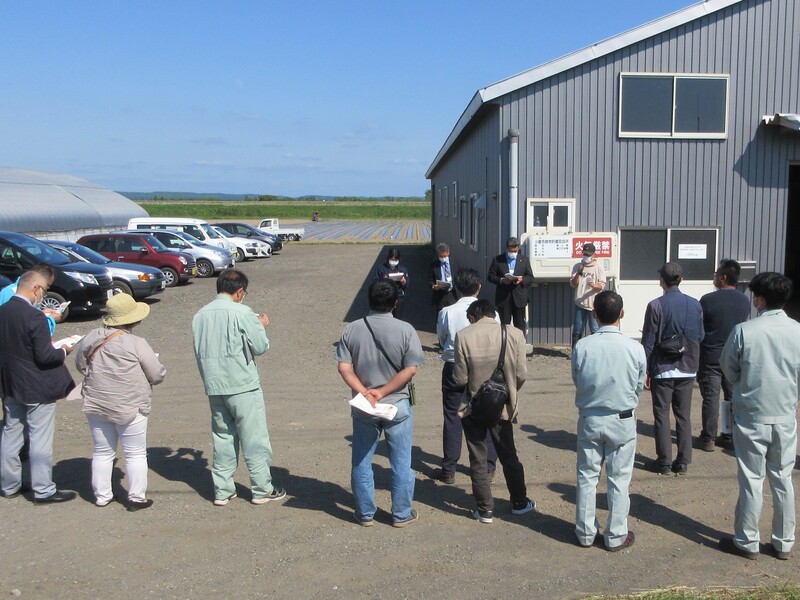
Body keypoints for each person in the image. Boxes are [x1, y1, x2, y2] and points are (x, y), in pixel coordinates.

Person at [718, 272, 800, 560]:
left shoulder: (745, 330)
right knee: (782, 478)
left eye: (756, 295)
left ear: (762, 298)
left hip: (752, 414)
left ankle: (747, 541)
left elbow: (728, 367)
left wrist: (745, 384)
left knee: (752, 478)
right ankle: (783, 542)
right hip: (785, 414)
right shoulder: (797, 330)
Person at [192, 270, 286, 506]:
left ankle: (223, 490)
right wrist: (261, 326)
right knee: (254, 438)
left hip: (214, 385)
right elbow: (260, 346)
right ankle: (262, 489)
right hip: (242, 384)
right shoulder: (242, 312)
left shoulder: (200, 315)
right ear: (240, 291)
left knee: (223, 437)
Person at [335, 279, 424, 527]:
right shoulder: (406, 330)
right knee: (401, 463)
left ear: (369, 300)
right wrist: (383, 391)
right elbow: (410, 370)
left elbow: (344, 367)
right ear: (395, 303)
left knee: (362, 461)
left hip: (365, 407)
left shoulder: (352, 329)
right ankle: (401, 514)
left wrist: (366, 392)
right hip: (397, 406)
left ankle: (364, 513)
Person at [76, 293, 166, 510]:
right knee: (135, 453)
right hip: (130, 404)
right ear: (134, 318)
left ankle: (102, 496)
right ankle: (136, 497)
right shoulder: (136, 343)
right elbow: (156, 375)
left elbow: (81, 364)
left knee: (102, 451)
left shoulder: (92, 336)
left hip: (97, 402)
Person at [572, 291, 646, 551]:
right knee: (619, 479)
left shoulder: (582, 346)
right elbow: (638, 386)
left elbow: (578, 379)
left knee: (587, 476)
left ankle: (584, 533)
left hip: (590, 417)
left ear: (594, 314)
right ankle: (616, 535)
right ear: (622, 314)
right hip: (622, 418)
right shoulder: (635, 348)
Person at [453, 299, 534, 523]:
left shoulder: (463, 335)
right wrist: (507, 392)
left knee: (478, 458)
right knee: (508, 453)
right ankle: (519, 501)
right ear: (493, 314)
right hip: (503, 407)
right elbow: (521, 374)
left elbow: (460, 377)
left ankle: (485, 509)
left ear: (473, 316)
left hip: (473, 407)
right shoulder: (515, 333)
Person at [0, 270, 76, 503]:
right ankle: (44, 489)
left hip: (11, 383)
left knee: (11, 436)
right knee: (39, 439)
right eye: (43, 290)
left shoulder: (3, 311)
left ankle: (9, 485)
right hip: (36, 386)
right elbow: (46, 357)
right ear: (35, 289)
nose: (42, 296)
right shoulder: (35, 317)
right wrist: (63, 349)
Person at [433, 268, 497, 484]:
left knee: (452, 416)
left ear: (457, 288)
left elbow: (441, 339)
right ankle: (487, 466)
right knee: (486, 414)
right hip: (484, 367)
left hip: (453, 365)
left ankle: (449, 468)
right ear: (479, 287)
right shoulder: (491, 313)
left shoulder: (447, 311)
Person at [641, 261, 704, 475]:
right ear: (681, 280)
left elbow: (649, 341)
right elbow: (700, 335)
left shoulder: (655, 305)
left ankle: (665, 462)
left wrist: (646, 370)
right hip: (688, 367)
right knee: (683, 415)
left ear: (661, 281)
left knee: (661, 414)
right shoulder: (695, 304)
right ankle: (683, 461)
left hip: (663, 367)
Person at [697, 259, 750, 452]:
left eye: (716, 274)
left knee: (710, 397)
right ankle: (729, 434)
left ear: (723, 277)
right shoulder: (744, 301)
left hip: (711, 355)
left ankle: (708, 438)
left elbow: (700, 329)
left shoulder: (708, 300)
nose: (715, 278)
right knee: (731, 396)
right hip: (735, 357)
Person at [487, 237, 534, 334]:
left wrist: (521, 280)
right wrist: (502, 280)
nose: (513, 252)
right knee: (504, 326)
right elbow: (490, 276)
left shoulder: (524, 260)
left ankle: (519, 346)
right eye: (511, 250)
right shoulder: (497, 260)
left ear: (518, 248)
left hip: (519, 297)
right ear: (507, 249)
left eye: (515, 250)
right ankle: (505, 346)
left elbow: (530, 277)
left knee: (520, 325)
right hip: (504, 297)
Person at [569, 243, 606, 348]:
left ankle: (596, 350)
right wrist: (578, 273)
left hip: (593, 304)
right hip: (579, 303)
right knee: (577, 329)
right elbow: (573, 284)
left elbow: (602, 285)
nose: (587, 256)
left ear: (594, 255)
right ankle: (575, 351)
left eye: (589, 254)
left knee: (594, 329)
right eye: (585, 253)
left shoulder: (598, 267)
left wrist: (594, 285)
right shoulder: (577, 266)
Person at [375, 248, 409, 318]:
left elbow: (407, 284)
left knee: (398, 317)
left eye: (395, 260)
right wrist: (382, 281)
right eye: (392, 259)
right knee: (385, 317)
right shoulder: (381, 268)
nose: (393, 262)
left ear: (399, 259)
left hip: (398, 297)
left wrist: (404, 282)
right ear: (388, 258)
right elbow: (375, 282)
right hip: (385, 297)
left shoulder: (403, 269)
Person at [429, 243, 458, 312]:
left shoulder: (455, 263)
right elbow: (430, 279)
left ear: (448, 253)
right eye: (440, 256)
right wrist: (433, 286)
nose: (443, 258)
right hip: (440, 295)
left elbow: (458, 278)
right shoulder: (434, 265)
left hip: (452, 294)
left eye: (444, 256)